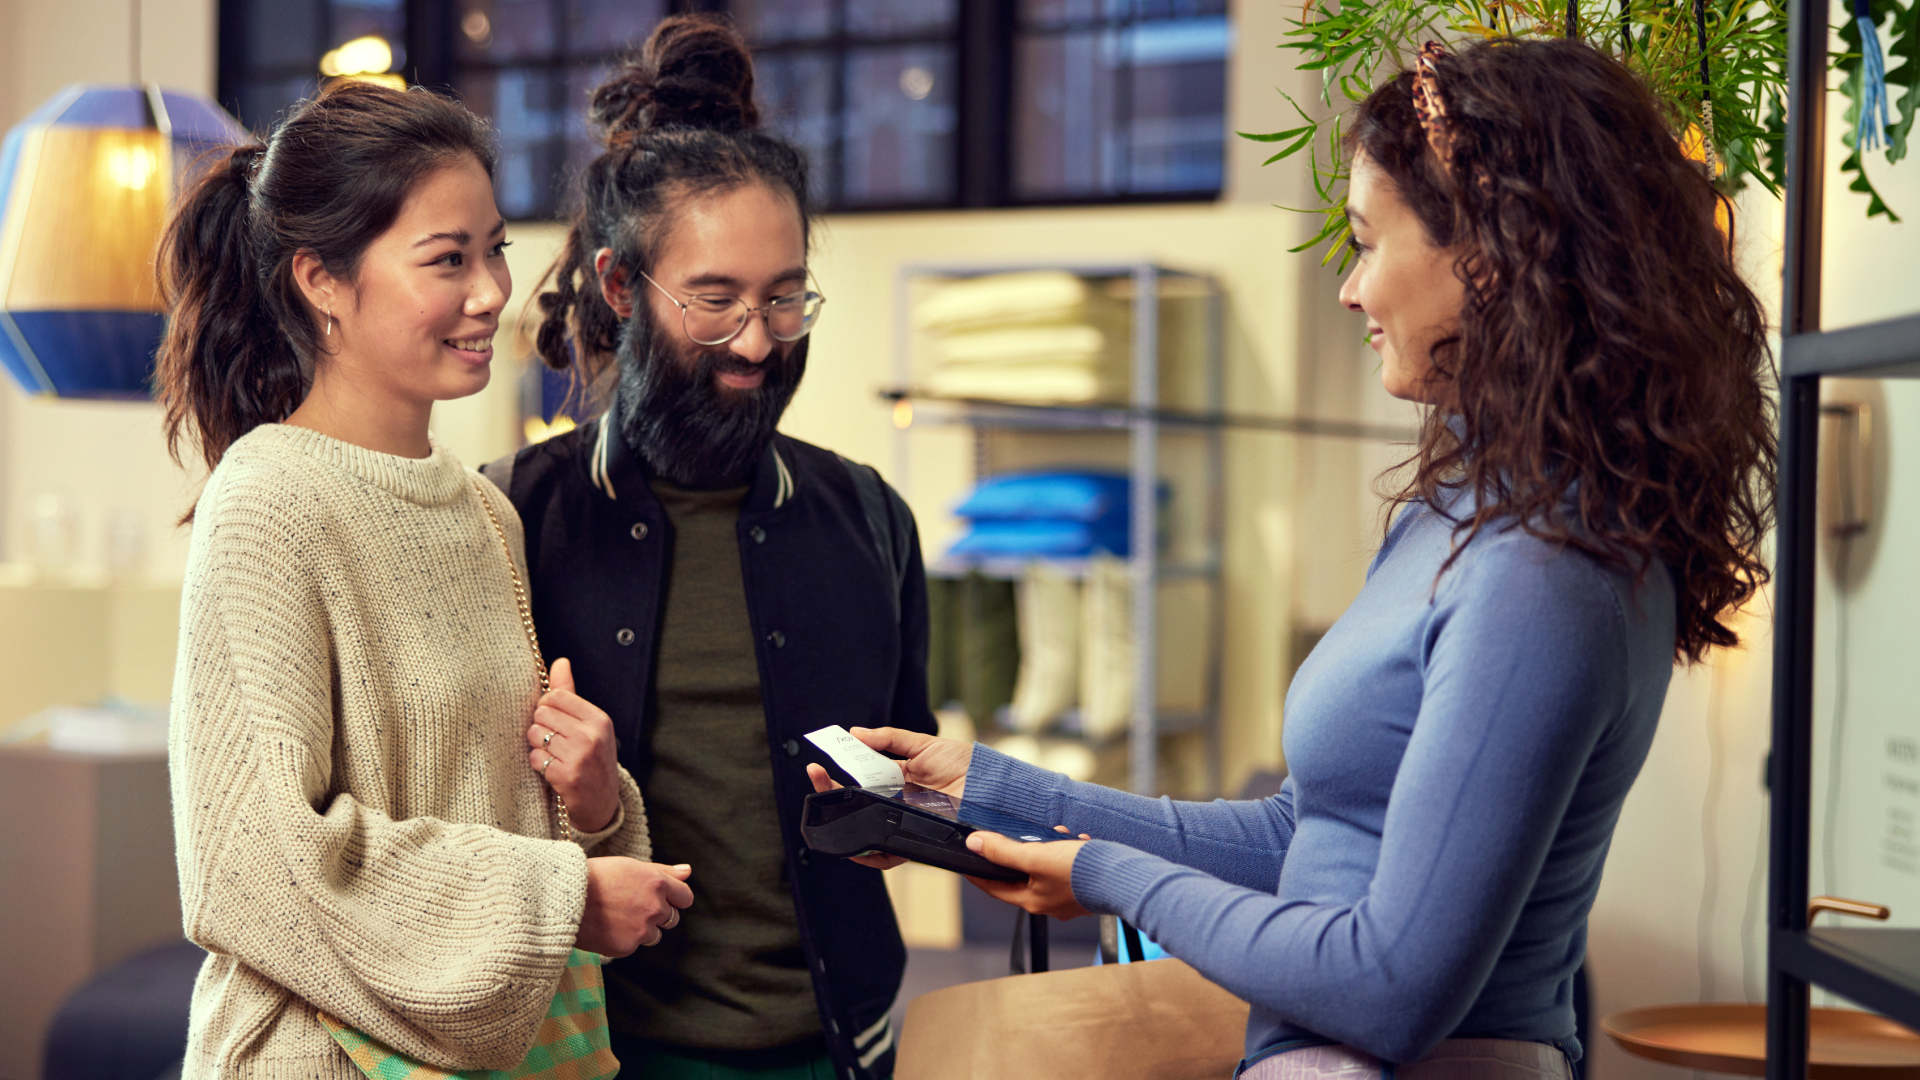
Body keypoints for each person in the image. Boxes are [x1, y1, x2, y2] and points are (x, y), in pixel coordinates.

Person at [811, 37, 1775, 1080]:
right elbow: (1302, 839)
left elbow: (1389, 987)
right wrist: (985, 789)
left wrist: (1106, 876)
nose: (1351, 290)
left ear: (1490, 254)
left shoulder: (1545, 574)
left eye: (1366, 242)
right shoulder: (1458, 514)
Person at [157, 80, 692, 1080]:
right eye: (448, 258)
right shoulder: (268, 497)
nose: (490, 292)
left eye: (495, 249)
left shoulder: (485, 511)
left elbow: (486, 806)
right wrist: (564, 897)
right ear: (321, 280)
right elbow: (247, 861)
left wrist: (593, 800)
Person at [484, 16, 937, 1080]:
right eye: (716, 300)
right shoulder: (510, 520)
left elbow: (909, 780)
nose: (758, 341)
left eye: (785, 297)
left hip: (843, 1049)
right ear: (619, 287)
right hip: (599, 1053)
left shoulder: (872, 518)